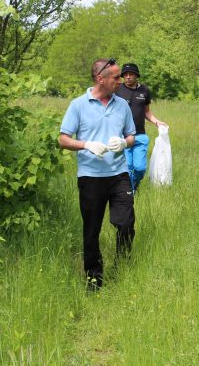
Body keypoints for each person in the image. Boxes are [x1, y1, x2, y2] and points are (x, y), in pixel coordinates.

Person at [59, 58, 137, 290]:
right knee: (91, 229)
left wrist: (123, 143)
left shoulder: (122, 105)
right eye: (115, 77)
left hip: (119, 174)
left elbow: (132, 136)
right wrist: (86, 145)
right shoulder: (78, 105)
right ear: (100, 79)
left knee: (125, 223)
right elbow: (63, 139)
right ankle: (94, 279)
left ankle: (122, 266)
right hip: (90, 176)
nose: (120, 80)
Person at [115, 63, 168, 192]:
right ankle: (130, 192)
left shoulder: (144, 90)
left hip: (140, 136)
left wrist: (157, 122)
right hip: (123, 136)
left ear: (137, 75)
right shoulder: (117, 90)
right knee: (127, 166)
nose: (128, 77)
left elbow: (146, 112)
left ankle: (134, 185)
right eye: (125, 74)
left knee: (139, 168)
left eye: (131, 74)